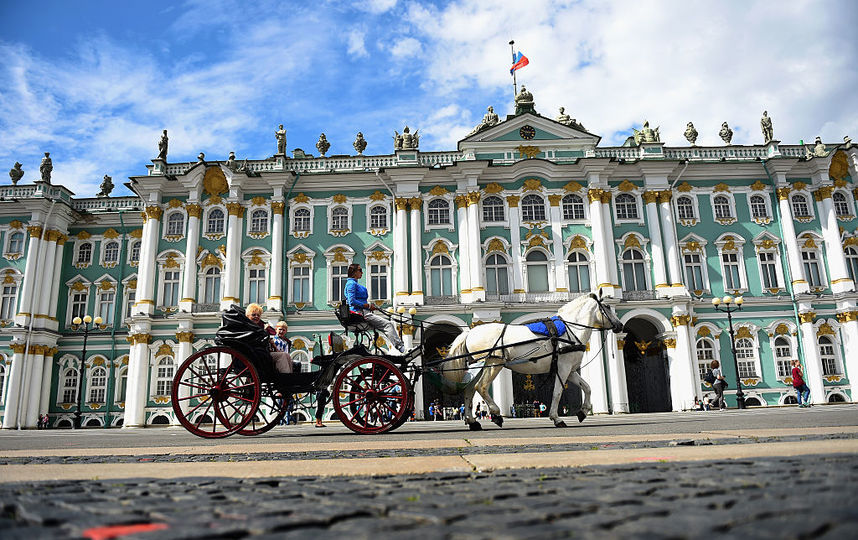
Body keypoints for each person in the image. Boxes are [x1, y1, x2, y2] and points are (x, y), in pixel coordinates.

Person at [343, 263, 405, 352]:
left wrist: (368, 306)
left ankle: (398, 344)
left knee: (385, 325)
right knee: (388, 324)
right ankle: (400, 346)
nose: (362, 273)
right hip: (360, 313)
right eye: (360, 270)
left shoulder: (353, 283)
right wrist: (367, 306)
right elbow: (351, 301)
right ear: (354, 272)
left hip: (363, 311)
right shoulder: (351, 284)